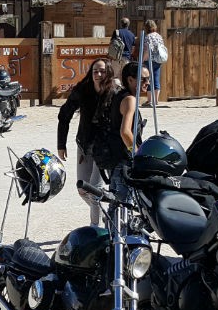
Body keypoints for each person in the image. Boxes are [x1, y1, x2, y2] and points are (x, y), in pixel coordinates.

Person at [57, 59, 118, 226]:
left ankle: (95, 228)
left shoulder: (115, 92)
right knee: (82, 189)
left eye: (102, 71)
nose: (98, 75)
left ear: (109, 73)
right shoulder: (83, 90)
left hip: (105, 148)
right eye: (95, 71)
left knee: (94, 190)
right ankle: (108, 215)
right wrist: (61, 144)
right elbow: (64, 114)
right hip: (84, 144)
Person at [101, 61, 151, 205]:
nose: (147, 83)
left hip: (114, 158)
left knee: (115, 203)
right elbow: (125, 132)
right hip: (124, 160)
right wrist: (136, 153)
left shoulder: (118, 96)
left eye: (148, 79)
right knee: (125, 204)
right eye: (143, 79)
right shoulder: (130, 100)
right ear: (130, 79)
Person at [142, 19, 166, 103]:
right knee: (156, 79)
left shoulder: (148, 37)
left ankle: (149, 100)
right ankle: (156, 100)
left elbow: (147, 50)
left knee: (148, 80)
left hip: (150, 60)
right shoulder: (159, 36)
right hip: (158, 60)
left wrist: (143, 59)